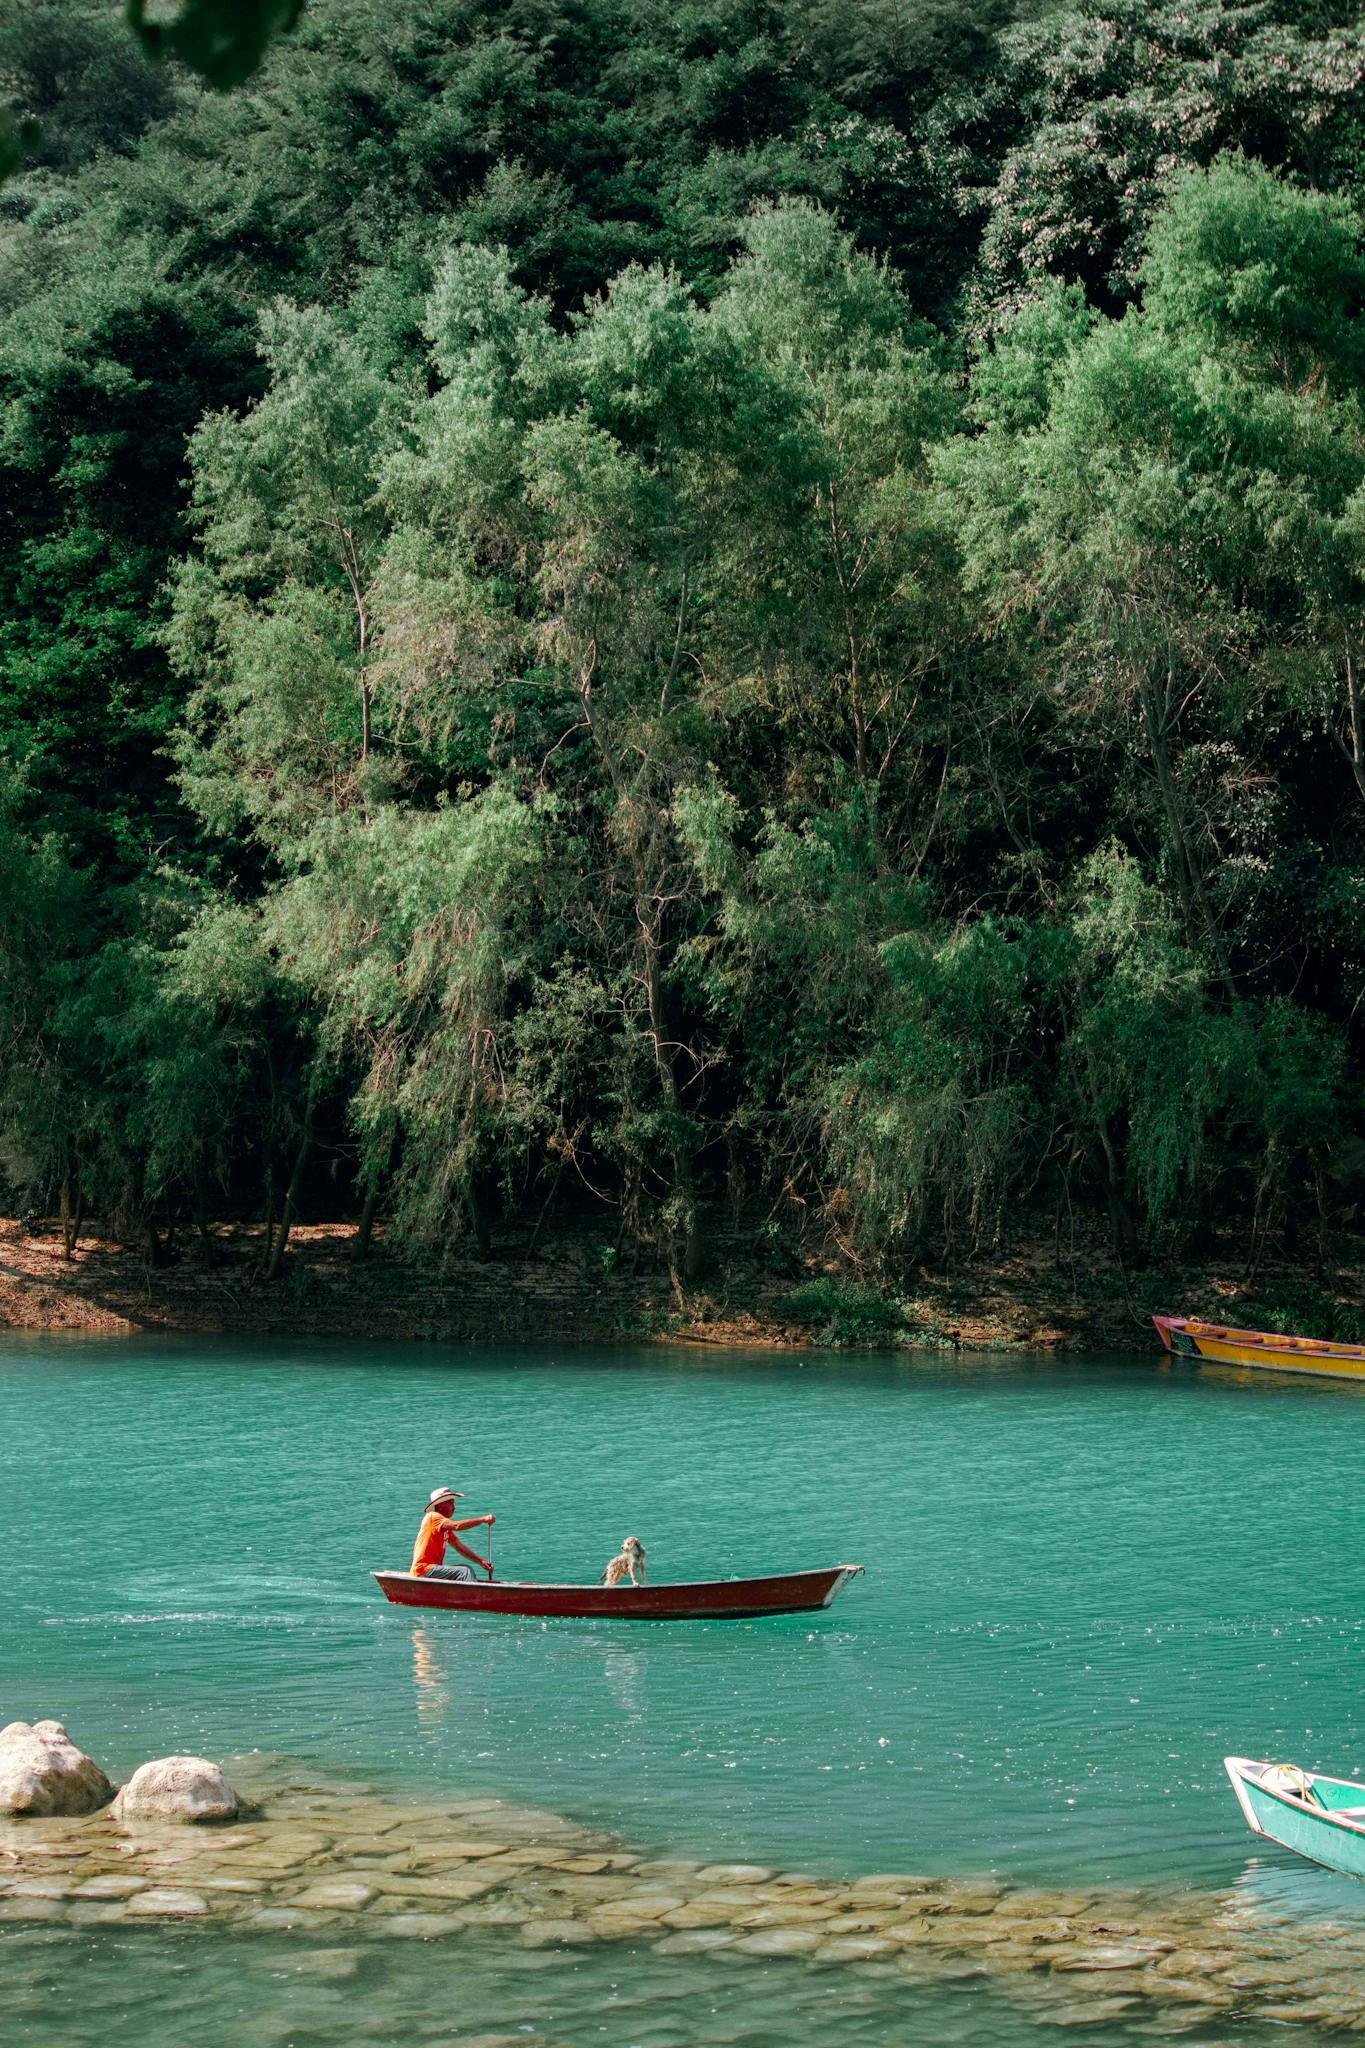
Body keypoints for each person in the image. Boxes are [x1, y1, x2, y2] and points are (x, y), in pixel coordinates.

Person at [411, 1486, 495, 1581]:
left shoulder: (444, 1527)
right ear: (441, 1505)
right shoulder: (433, 1517)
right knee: (465, 1571)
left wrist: (481, 1561)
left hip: (431, 1570)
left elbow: (459, 1546)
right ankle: (473, 1595)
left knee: (465, 1569)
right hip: (423, 1569)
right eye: (450, 1503)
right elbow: (457, 1526)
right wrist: (482, 1519)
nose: (454, 1507)